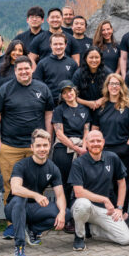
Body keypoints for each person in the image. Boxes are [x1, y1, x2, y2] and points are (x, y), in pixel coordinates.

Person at [0, 56, 54, 210]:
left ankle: (34, 217)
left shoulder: (42, 88)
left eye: (27, 68)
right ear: (15, 71)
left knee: (37, 182)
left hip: (35, 147)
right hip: (10, 146)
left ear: (32, 69)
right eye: (20, 69)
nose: (24, 72)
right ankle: (13, 220)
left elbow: (49, 114)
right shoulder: (5, 89)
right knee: (10, 183)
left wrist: (47, 140)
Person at [5, 129, 70, 256]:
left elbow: (60, 195)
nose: (42, 149)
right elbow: (15, 188)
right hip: (14, 208)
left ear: (49, 146)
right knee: (19, 199)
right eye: (38, 146)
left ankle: (32, 230)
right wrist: (36, 195)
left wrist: (62, 212)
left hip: (33, 209)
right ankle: (19, 246)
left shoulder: (52, 168)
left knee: (66, 213)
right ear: (32, 147)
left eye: (45, 145)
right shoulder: (21, 165)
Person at [69, 130, 129, 250]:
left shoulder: (112, 157)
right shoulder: (78, 163)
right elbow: (79, 192)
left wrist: (119, 208)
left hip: (104, 210)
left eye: (98, 140)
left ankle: (92, 230)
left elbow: (122, 182)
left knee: (125, 239)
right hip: (82, 207)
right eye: (92, 141)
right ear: (86, 143)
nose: (95, 143)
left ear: (103, 142)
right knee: (83, 204)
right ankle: (79, 236)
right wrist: (104, 199)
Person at [91, 73, 129, 217]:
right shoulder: (101, 106)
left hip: (125, 151)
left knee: (124, 184)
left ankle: (122, 213)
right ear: (107, 86)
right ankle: (107, 216)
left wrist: (127, 146)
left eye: (117, 84)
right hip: (105, 151)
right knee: (107, 185)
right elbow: (94, 129)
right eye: (111, 83)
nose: (114, 86)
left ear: (121, 86)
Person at [51, 80, 91, 230]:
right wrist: (75, 147)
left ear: (75, 91)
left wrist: (83, 149)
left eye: (70, 91)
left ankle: (80, 217)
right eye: (64, 92)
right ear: (62, 95)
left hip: (82, 148)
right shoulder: (59, 110)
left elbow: (86, 131)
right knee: (65, 185)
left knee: (80, 184)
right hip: (64, 149)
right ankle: (67, 217)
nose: (68, 94)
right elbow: (59, 133)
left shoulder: (84, 110)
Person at [33, 32, 79, 106]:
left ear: (65, 45)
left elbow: (76, 85)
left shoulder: (72, 63)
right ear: (50, 45)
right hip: (49, 103)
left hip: (68, 103)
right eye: (55, 44)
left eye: (61, 44)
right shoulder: (42, 63)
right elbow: (37, 84)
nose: (58, 47)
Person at [72, 46, 111, 111]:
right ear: (85, 58)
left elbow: (114, 92)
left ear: (101, 58)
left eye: (97, 57)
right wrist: (88, 103)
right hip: (82, 108)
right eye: (91, 57)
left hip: (104, 107)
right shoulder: (78, 74)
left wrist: (102, 100)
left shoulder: (108, 73)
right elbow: (72, 95)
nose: (94, 60)